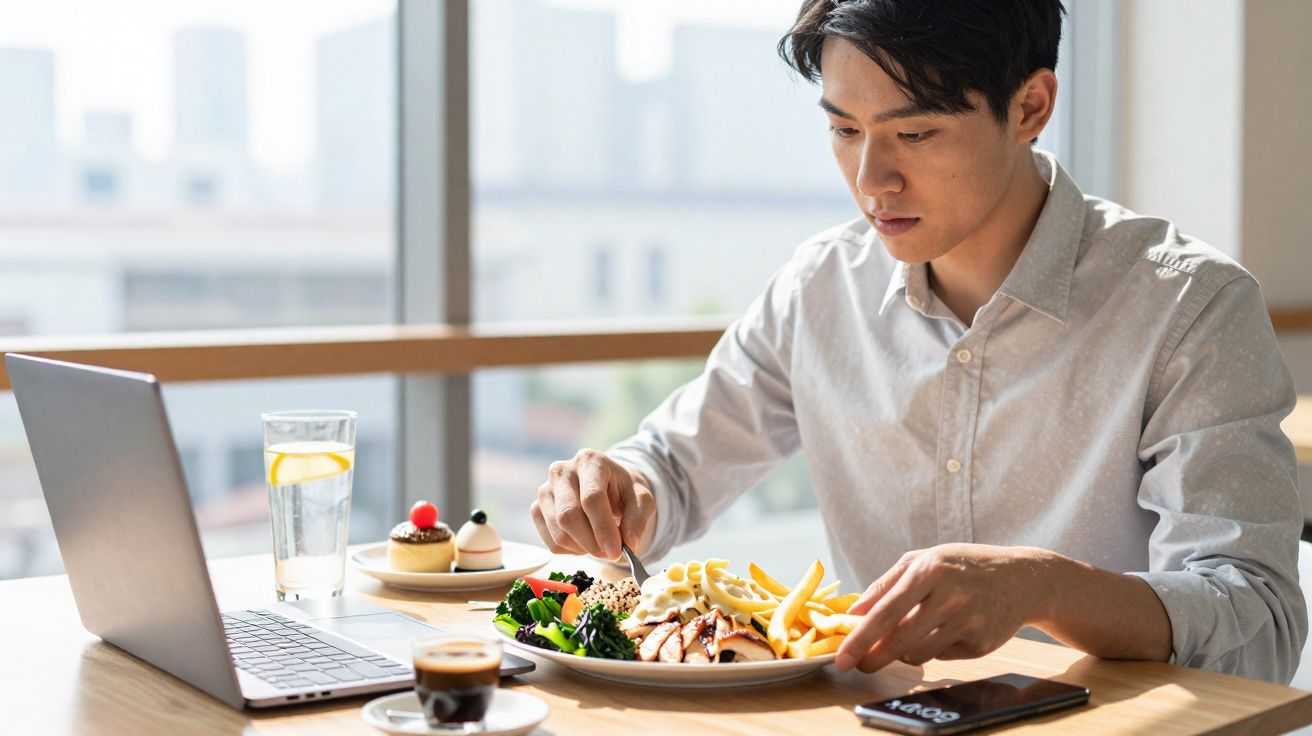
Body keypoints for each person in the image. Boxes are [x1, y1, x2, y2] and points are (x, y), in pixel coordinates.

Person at [529, 0, 1307, 683]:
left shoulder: (1189, 306)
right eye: (844, 129)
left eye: (916, 131)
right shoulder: (820, 290)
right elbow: (671, 469)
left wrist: (1045, 588)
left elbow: (1258, 621)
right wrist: (617, 487)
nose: (872, 179)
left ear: (1031, 106)